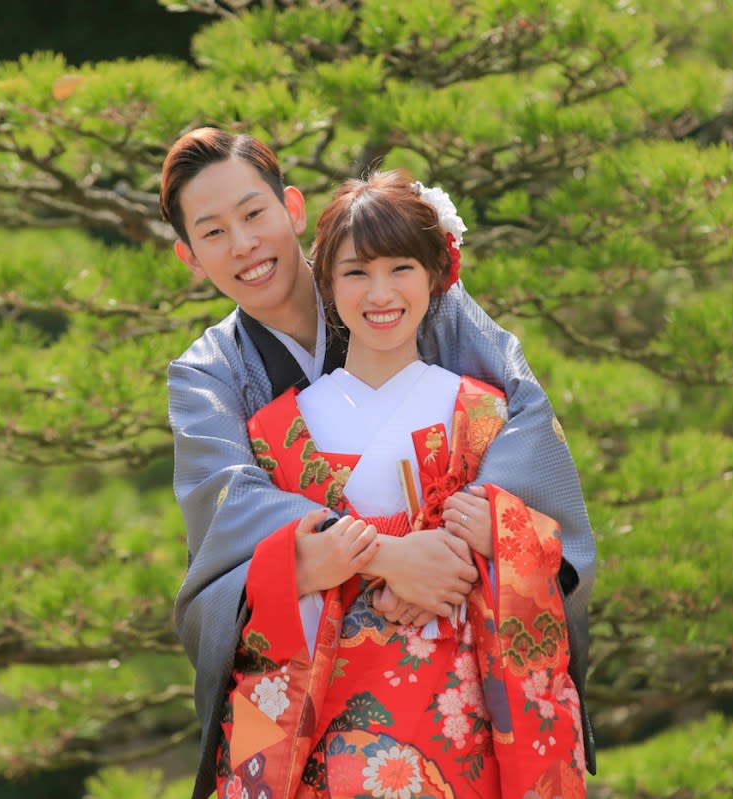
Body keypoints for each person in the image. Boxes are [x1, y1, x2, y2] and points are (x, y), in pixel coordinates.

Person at [160, 128, 596, 799]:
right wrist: (389, 557)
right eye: (213, 232)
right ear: (190, 256)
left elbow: (524, 417)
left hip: (453, 652)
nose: (243, 244)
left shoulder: (398, 280)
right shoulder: (208, 373)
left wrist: (457, 546)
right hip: (327, 689)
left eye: (254, 213)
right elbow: (232, 508)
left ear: (292, 209)